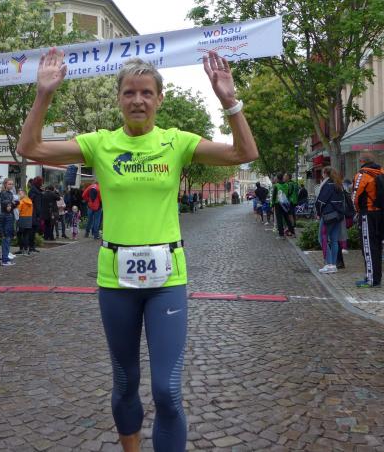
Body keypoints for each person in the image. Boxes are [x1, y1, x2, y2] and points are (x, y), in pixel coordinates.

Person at [17, 50, 257, 452]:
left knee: (166, 389)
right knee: (126, 381)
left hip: (167, 279)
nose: (138, 100)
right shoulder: (100, 143)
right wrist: (44, 94)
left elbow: (244, 153)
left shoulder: (176, 141)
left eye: (146, 92)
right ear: (119, 99)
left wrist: (229, 102)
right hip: (116, 280)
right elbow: (30, 147)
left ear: (159, 99)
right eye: (129, 92)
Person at [352, 152, 384, 288]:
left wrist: (357, 210)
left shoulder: (362, 175)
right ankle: (376, 277)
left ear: (361, 161)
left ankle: (371, 279)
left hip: (367, 213)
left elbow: (355, 196)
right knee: (376, 246)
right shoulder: (381, 173)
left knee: (368, 247)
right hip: (380, 213)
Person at [315, 166, 345, 273]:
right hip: (338, 215)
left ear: (325, 174)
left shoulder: (327, 185)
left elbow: (321, 201)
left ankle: (329, 264)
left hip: (328, 215)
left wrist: (318, 213)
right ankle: (334, 265)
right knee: (334, 240)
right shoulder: (339, 185)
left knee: (322, 238)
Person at [0, 178, 18, 266]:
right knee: (5, 239)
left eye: (12, 184)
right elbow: (5, 204)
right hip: (5, 216)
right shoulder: (2, 193)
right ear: (5, 184)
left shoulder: (11, 193)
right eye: (9, 184)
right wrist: (11, 204)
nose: (11, 185)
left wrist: (14, 204)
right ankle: (5, 259)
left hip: (10, 215)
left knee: (8, 239)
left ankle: (6, 257)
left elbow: (12, 205)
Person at [15, 189, 34, 255]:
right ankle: (26, 249)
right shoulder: (30, 201)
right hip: (29, 219)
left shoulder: (21, 202)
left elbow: (17, 211)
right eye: (18, 194)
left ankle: (21, 249)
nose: (19, 195)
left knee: (19, 234)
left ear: (24, 194)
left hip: (22, 218)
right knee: (26, 235)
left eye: (20, 194)